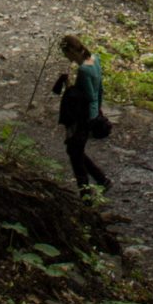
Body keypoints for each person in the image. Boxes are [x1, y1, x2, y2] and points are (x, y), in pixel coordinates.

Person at [56, 33, 109, 193]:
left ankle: (86, 193)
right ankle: (101, 180)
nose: (68, 58)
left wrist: (69, 87)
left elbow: (87, 96)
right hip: (92, 113)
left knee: (75, 153)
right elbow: (97, 89)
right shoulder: (94, 59)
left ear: (72, 51)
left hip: (84, 117)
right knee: (75, 151)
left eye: (67, 54)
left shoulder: (84, 71)